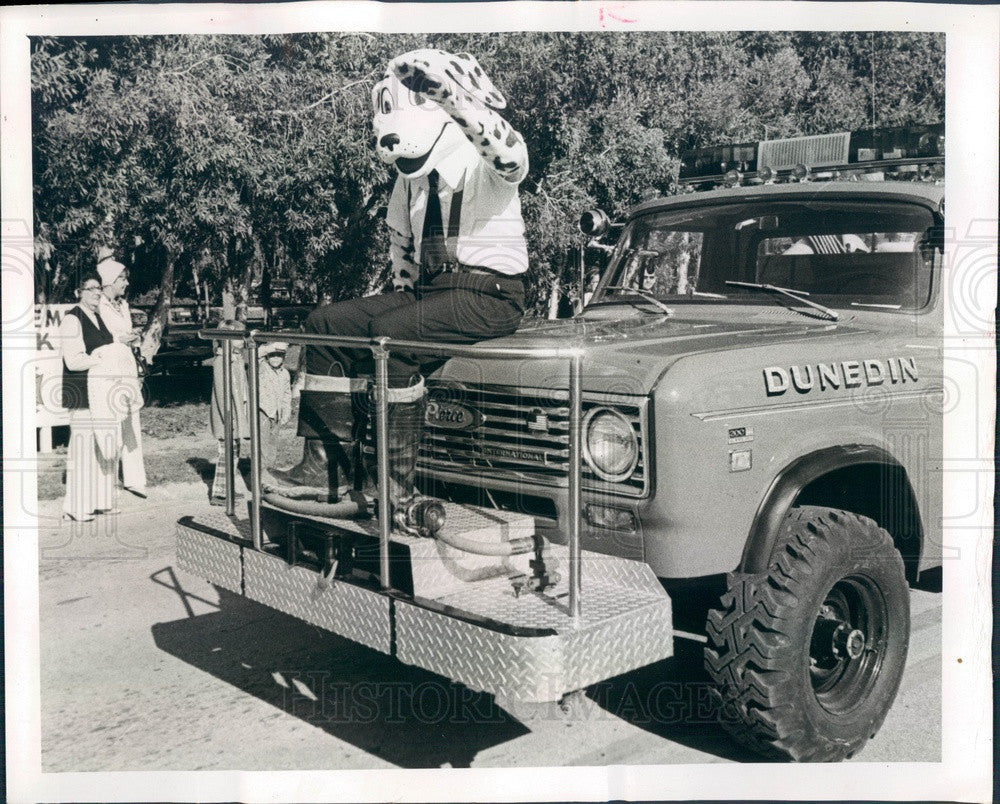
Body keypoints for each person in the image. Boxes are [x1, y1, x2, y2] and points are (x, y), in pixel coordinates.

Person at [270, 48, 529, 537]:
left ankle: (395, 489)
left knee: (391, 337)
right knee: (326, 326)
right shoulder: (410, 182)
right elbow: (400, 242)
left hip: (490, 293)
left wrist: (448, 95)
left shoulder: (485, 159)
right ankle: (327, 473)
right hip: (432, 291)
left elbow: (512, 156)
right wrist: (406, 286)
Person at [59, 271, 118, 521]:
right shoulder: (72, 320)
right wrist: (103, 360)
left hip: (100, 393)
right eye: (91, 289)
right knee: (82, 449)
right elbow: (74, 361)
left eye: (99, 289)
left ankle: (100, 500)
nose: (96, 293)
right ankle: (76, 506)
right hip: (81, 393)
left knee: (101, 446)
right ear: (78, 293)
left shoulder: (98, 316)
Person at [97, 253, 147, 498]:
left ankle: (135, 479)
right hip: (108, 370)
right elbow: (97, 338)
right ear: (110, 281)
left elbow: (124, 333)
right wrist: (119, 338)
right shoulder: (98, 305)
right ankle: (105, 481)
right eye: (122, 279)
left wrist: (132, 337)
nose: (126, 284)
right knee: (112, 424)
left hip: (127, 367)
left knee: (131, 422)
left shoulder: (123, 305)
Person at [257, 341, 292, 473]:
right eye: (272, 355)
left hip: (276, 413)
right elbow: (256, 354)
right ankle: (260, 474)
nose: (276, 358)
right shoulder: (262, 368)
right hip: (263, 412)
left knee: (273, 445)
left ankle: (269, 471)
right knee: (262, 446)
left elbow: (287, 394)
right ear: (267, 356)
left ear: (284, 357)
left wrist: (286, 412)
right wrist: (271, 346)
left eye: (279, 355)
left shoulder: (285, 373)